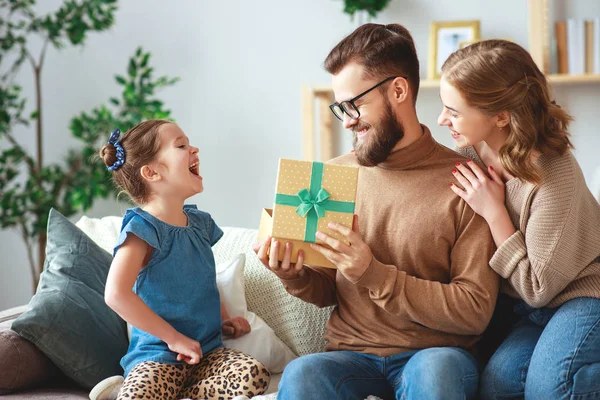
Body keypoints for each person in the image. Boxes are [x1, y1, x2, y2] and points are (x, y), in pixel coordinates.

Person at [253, 24, 499, 400]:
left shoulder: (466, 183)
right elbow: (326, 289)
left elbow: (475, 309)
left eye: (356, 104)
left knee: (436, 371)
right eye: (340, 108)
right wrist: (295, 275)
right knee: (303, 373)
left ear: (398, 90)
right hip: (351, 354)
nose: (348, 119)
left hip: (436, 353)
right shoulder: (334, 176)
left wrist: (374, 274)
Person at [438, 39, 600, 399]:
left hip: (584, 293)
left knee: (549, 389)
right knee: (497, 386)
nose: (442, 119)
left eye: (454, 110)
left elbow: (538, 289)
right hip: (526, 309)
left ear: (500, 116)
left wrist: (495, 212)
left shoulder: (553, 174)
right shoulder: (470, 150)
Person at [100, 120, 270, 400]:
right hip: (157, 357)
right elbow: (116, 294)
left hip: (208, 354)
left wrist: (223, 320)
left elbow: (203, 280)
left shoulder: (200, 224)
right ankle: (126, 390)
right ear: (151, 172)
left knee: (254, 374)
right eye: (181, 145)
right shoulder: (142, 229)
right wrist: (175, 339)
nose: (194, 149)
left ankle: (177, 395)